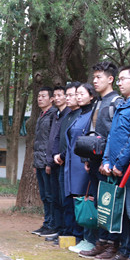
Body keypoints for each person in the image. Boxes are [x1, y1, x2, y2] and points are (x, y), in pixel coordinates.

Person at [97, 66, 130, 260]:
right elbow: (112, 136)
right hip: (115, 168)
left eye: (123, 79)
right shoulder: (122, 105)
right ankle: (124, 251)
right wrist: (106, 160)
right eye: (119, 79)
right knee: (122, 213)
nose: (119, 83)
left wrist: (119, 164)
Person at [79, 62, 123, 260]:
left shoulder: (116, 102)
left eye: (99, 77)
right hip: (95, 160)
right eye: (94, 77)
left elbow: (117, 134)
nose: (95, 81)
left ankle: (112, 245)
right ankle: (101, 242)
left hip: (109, 163)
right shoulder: (98, 102)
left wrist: (111, 161)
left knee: (110, 203)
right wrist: (88, 158)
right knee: (99, 202)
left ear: (110, 79)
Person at [67, 83, 99, 254]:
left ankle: (91, 239)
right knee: (79, 199)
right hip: (74, 163)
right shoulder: (79, 114)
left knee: (88, 200)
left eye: (81, 94)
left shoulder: (93, 113)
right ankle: (83, 237)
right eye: (76, 94)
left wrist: (86, 160)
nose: (78, 97)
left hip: (85, 163)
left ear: (91, 96)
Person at [52, 82, 81, 246]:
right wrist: (56, 154)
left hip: (74, 163)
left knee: (73, 200)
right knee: (63, 199)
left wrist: (62, 155)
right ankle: (65, 231)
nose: (68, 98)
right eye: (67, 95)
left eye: (71, 95)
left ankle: (75, 233)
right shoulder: (67, 116)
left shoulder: (81, 115)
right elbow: (58, 137)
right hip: (62, 162)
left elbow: (75, 142)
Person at [32, 87, 59, 236]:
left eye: (43, 96)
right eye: (38, 96)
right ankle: (46, 223)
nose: (40, 99)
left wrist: (49, 162)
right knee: (43, 195)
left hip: (47, 161)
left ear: (51, 99)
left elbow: (52, 140)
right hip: (39, 161)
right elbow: (38, 141)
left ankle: (52, 224)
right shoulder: (41, 115)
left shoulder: (53, 114)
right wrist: (35, 163)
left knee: (50, 195)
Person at [45, 85, 70, 243]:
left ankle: (64, 230)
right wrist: (51, 158)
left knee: (62, 199)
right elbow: (53, 139)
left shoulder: (69, 114)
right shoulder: (56, 115)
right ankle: (58, 228)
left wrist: (60, 155)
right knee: (54, 198)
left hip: (63, 161)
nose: (57, 98)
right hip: (54, 160)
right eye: (55, 95)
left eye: (60, 95)